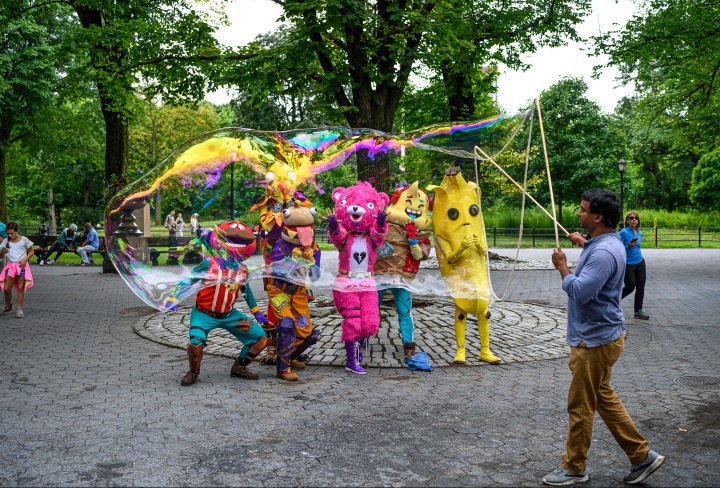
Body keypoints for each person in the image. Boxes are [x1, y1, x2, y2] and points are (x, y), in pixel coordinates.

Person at [544, 189, 665, 486]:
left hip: (594, 340)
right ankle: (641, 456)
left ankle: (574, 467)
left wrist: (562, 267)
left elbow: (581, 292)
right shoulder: (608, 242)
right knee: (603, 397)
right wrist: (584, 243)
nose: (579, 213)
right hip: (603, 335)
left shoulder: (602, 252)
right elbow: (600, 259)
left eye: (583, 210)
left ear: (598, 217)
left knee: (580, 406)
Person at [0, 222, 34, 318]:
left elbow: (31, 252)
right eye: (8, 233)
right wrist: (2, 252)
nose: (10, 235)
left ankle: (20, 309)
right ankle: (7, 305)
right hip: (10, 266)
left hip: (21, 266)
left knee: (20, 288)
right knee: (7, 288)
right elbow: (1, 256)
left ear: (17, 231)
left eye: (12, 233)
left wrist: (25, 260)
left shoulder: (24, 240)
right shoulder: (6, 241)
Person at [619, 211, 649, 320]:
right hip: (628, 264)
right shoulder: (623, 232)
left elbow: (638, 247)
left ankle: (638, 311)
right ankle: (613, 301)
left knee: (640, 286)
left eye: (636, 218)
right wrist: (628, 246)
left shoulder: (639, 233)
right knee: (630, 286)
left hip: (640, 262)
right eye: (631, 218)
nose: (634, 220)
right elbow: (618, 248)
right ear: (627, 220)